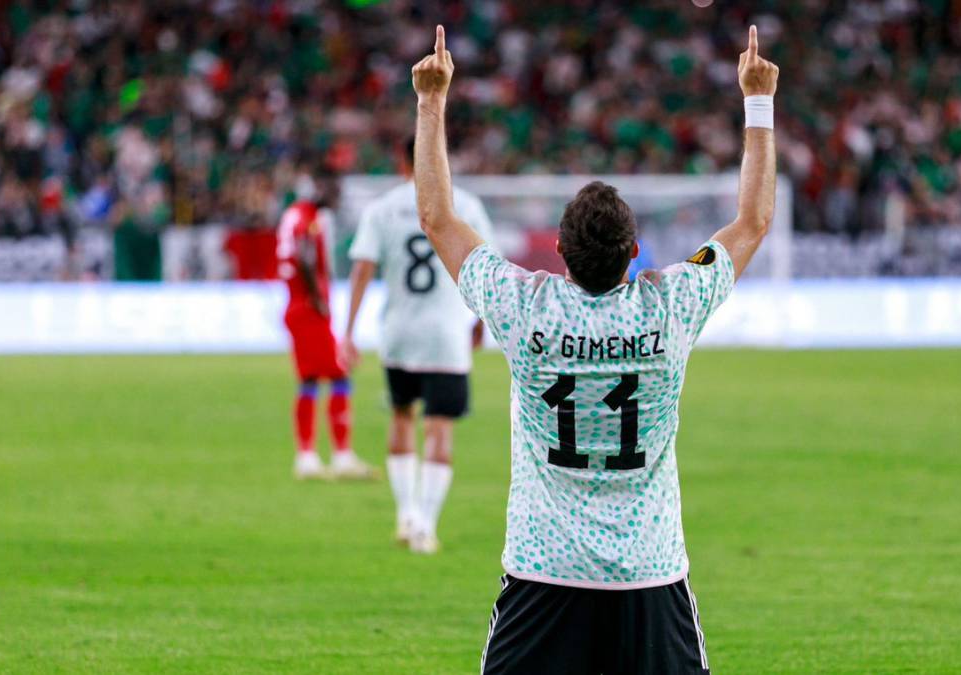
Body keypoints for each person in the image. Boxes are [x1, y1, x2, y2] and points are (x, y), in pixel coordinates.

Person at [410, 25, 778, 674]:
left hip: (542, 571)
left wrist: (431, 102)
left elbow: (439, 220)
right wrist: (757, 101)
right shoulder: (671, 303)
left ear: (558, 251)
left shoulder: (525, 306)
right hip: (650, 573)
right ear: (635, 253)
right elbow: (752, 221)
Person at [342, 142, 495, 554]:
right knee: (439, 428)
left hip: (398, 333)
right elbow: (486, 264)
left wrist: (348, 331)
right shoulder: (466, 205)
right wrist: (481, 321)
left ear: (402, 161)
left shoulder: (383, 207)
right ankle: (426, 525)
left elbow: (361, 268)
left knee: (401, 417)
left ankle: (406, 513)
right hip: (447, 334)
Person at [276, 174, 376, 480]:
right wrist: (318, 297)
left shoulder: (295, 214)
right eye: (333, 191)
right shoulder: (308, 218)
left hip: (299, 306)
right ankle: (338, 455)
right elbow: (305, 256)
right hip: (308, 308)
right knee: (339, 374)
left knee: (309, 379)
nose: (336, 198)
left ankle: (308, 456)